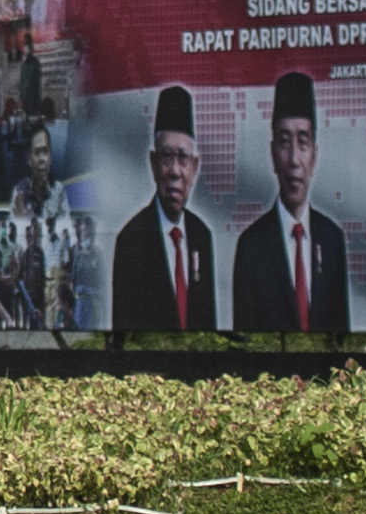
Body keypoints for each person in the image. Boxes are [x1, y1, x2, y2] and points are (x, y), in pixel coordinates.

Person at [230, 70, 351, 332]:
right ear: (273, 154)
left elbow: (341, 333)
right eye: (285, 143)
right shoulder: (251, 246)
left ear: (315, 156)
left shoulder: (331, 239)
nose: (294, 159)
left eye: (303, 142)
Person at [111, 85, 219, 332]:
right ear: (153, 163)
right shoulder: (131, 240)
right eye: (167, 157)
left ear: (194, 167)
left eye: (183, 159)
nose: (175, 172)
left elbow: (208, 325)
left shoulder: (202, 235)